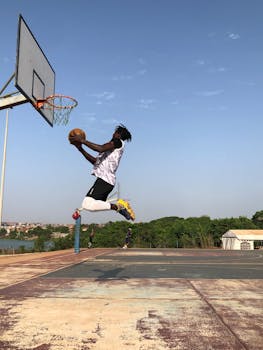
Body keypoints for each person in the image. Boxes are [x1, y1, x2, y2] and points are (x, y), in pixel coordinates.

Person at [70, 124, 135, 221]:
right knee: (91, 205)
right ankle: (120, 207)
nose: (113, 134)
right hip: (106, 181)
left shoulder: (117, 142)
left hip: (105, 180)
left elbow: (99, 148)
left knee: (87, 204)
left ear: (118, 134)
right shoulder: (111, 150)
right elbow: (95, 161)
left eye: (115, 132)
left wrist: (82, 140)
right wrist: (80, 149)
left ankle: (119, 206)